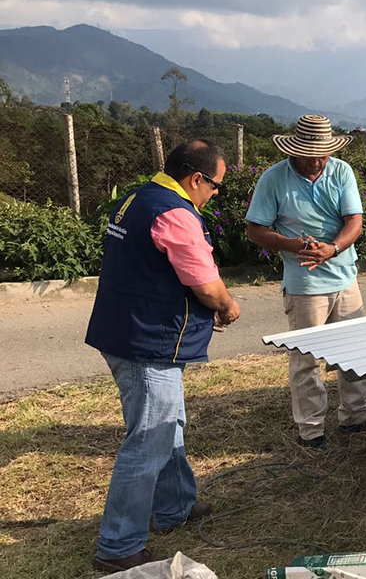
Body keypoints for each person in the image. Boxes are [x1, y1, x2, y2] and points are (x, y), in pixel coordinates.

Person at [85, 139, 241, 573]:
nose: (214, 195)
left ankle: (175, 506)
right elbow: (205, 284)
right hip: (148, 342)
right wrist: (228, 307)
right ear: (197, 178)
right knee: (149, 440)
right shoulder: (174, 212)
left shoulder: (136, 197)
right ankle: (118, 546)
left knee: (167, 425)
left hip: (123, 331)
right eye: (216, 186)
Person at [246, 115, 366, 449]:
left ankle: (355, 417)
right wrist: (292, 244)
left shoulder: (341, 172)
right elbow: (255, 229)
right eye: (309, 154)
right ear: (294, 150)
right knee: (306, 359)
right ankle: (311, 431)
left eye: (322, 154)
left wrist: (334, 248)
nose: (316, 160)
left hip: (344, 276)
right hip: (304, 283)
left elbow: (355, 220)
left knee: (354, 351)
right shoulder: (274, 179)